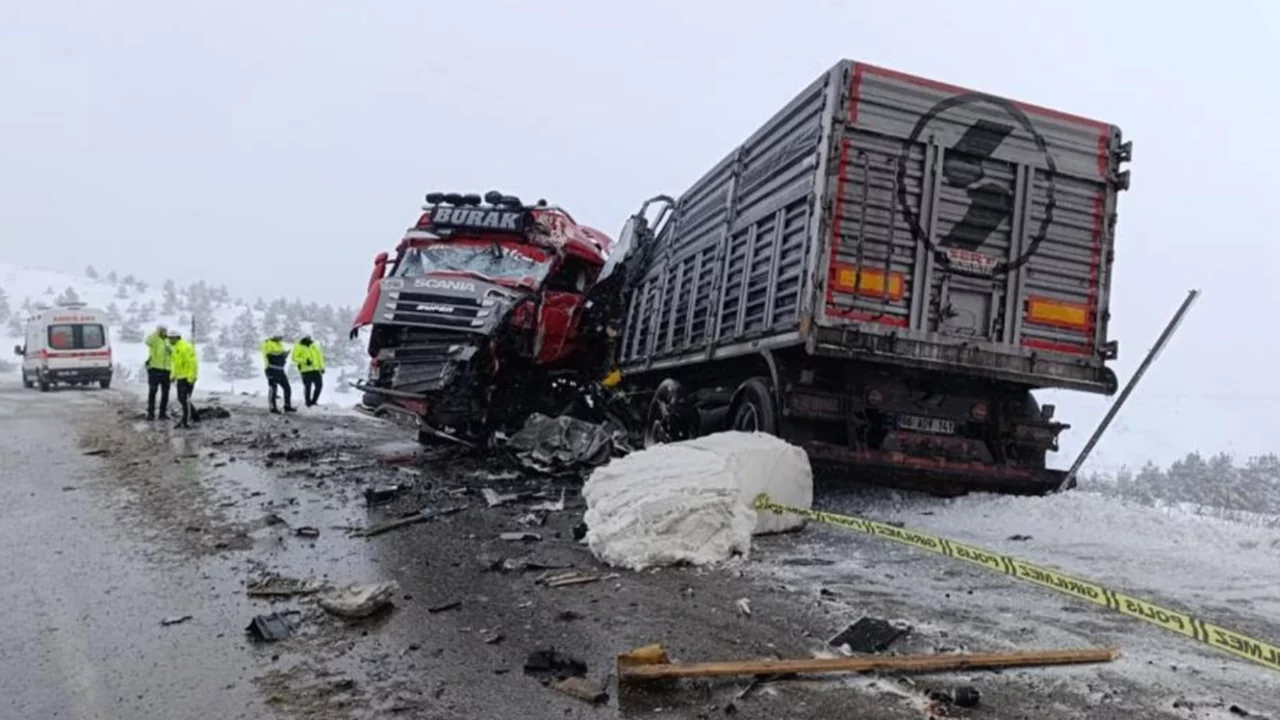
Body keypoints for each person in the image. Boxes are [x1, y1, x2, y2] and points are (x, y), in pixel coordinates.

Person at [169, 331, 198, 429]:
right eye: (169, 338)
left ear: (177, 338)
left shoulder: (185, 347)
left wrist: (191, 378)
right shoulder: (175, 348)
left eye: (171, 338)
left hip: (187, 378)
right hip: (181, 377)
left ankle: (186, 421)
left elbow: (192, 364)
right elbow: (175, 365)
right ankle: (194, 416)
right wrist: (173, 376)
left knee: (185, 399)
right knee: (181, 399)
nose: (169, 340)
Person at [144, 324, 173, 420]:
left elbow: (173, 352)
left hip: (166, 370)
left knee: (165, 393)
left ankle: (162, 413)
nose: (164, 332)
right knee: (153, 391)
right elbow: (147, 341)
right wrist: (156, 334)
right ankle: (151, 413)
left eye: (165, 330)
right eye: (162, 330)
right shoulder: (154, 339)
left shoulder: (168, 341)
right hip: (154, 369)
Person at [262, 335, 296, 414]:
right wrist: (281, 355)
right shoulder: (268, 343)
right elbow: (269, 355)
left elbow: (280, 356)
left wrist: (284, 355)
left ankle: (287, 406)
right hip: (271, 369)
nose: (281, 338)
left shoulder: (279, 344)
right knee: (273, 388)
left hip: (280, 370)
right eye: (279, 336)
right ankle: (272, 408)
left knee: (287, 388)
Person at [291, 335, 326, 407]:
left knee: (319, 386)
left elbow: (320, 356)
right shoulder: (299, 346)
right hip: (306, 370)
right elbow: (294, 358)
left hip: (316, 369)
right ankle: (308, 403)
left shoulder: (314, 345)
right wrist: (305, 361)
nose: (309, 338)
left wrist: (322, 367)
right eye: (307, 337)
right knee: (308, 387)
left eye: (309, 337)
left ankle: (314, 401)